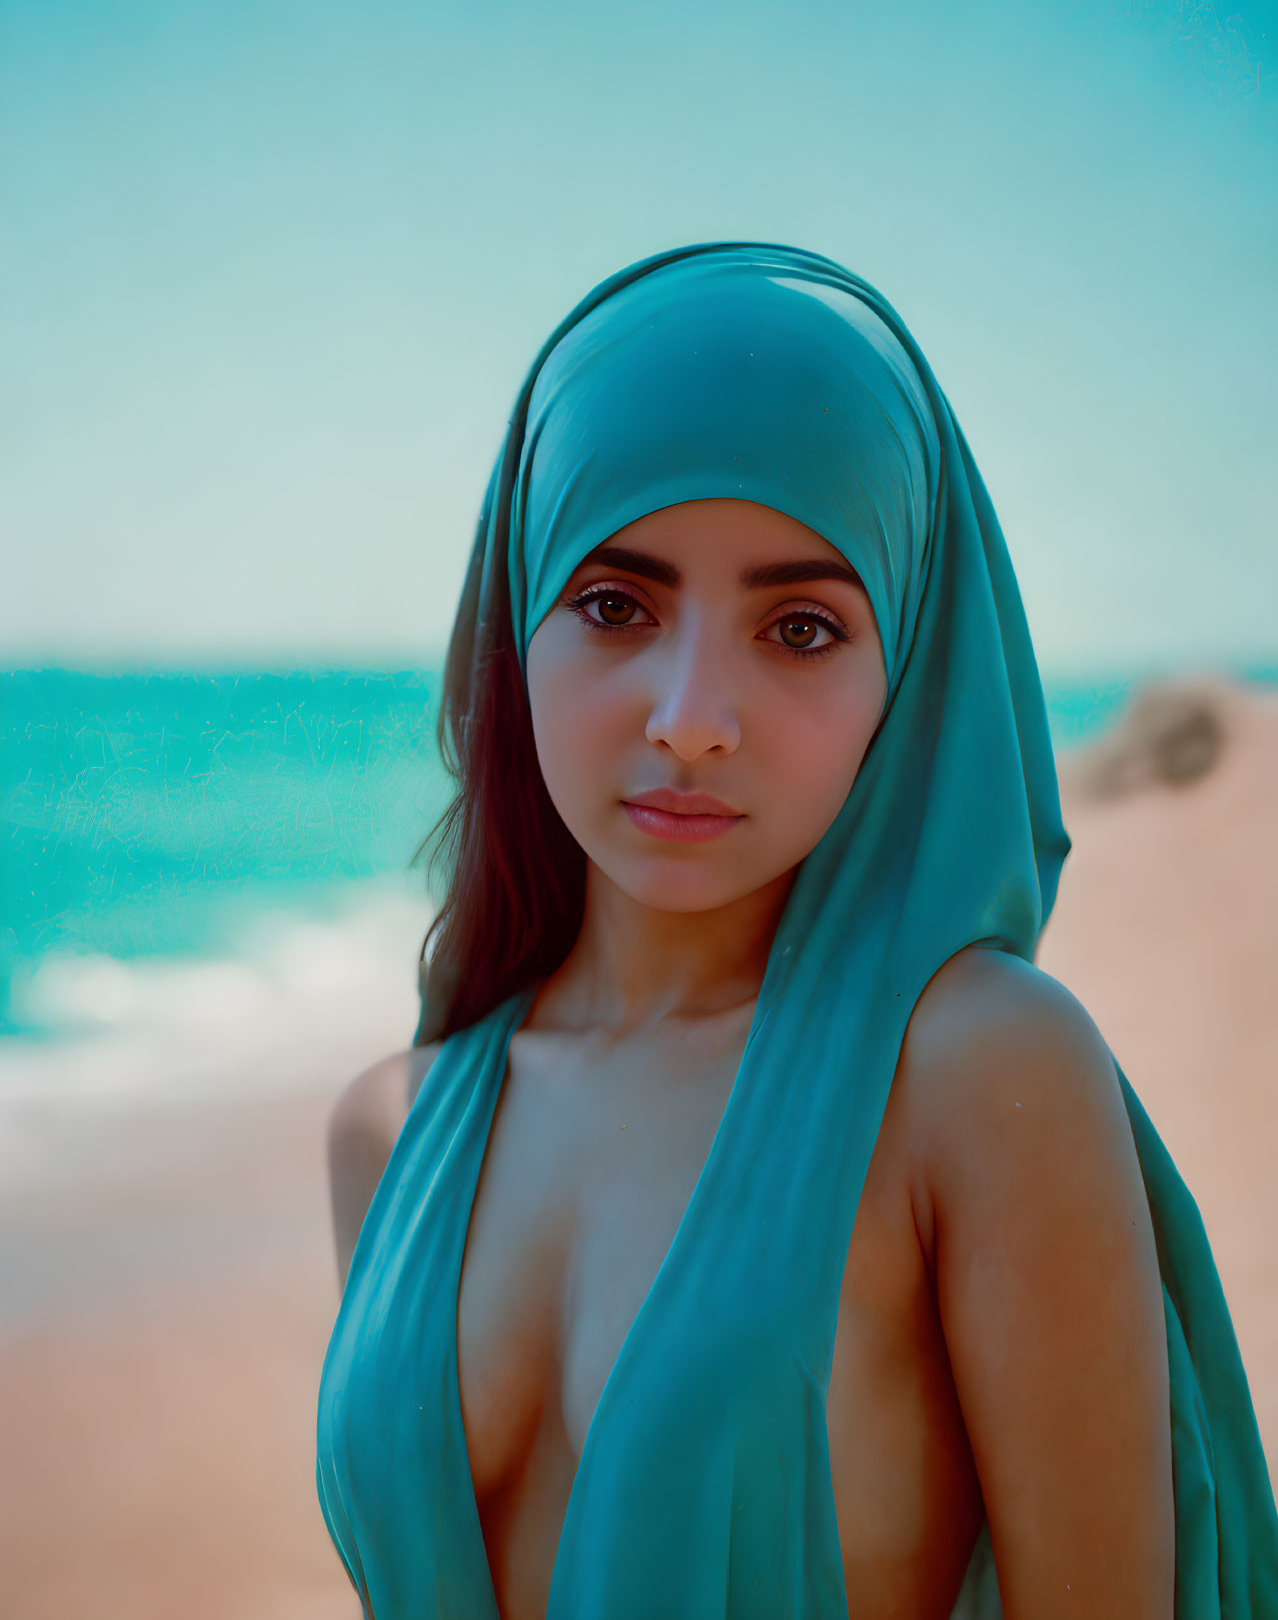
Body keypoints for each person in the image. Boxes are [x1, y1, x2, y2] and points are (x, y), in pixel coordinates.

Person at [315, 243, 1278, 1619]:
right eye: (611, 604)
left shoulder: (975, 1073)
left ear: (910, 668)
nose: (691, 714)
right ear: (512, 625)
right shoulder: (390, 1131)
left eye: (804, 627)